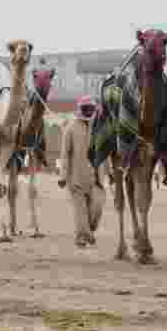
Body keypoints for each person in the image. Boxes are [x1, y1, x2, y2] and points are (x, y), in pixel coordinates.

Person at [58, 95, 105, 247]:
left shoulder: (98, 128)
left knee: (97, 208)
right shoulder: (71, 128)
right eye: (87, 108)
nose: (89, 111)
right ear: (81, 109)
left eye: (92, 108)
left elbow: (104, 152)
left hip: (95, 178)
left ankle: (87, 231)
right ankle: (82, 237)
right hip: (76, 178)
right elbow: (65, 154)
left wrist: (110, 172)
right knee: (81, 211)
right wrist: (63, 176)